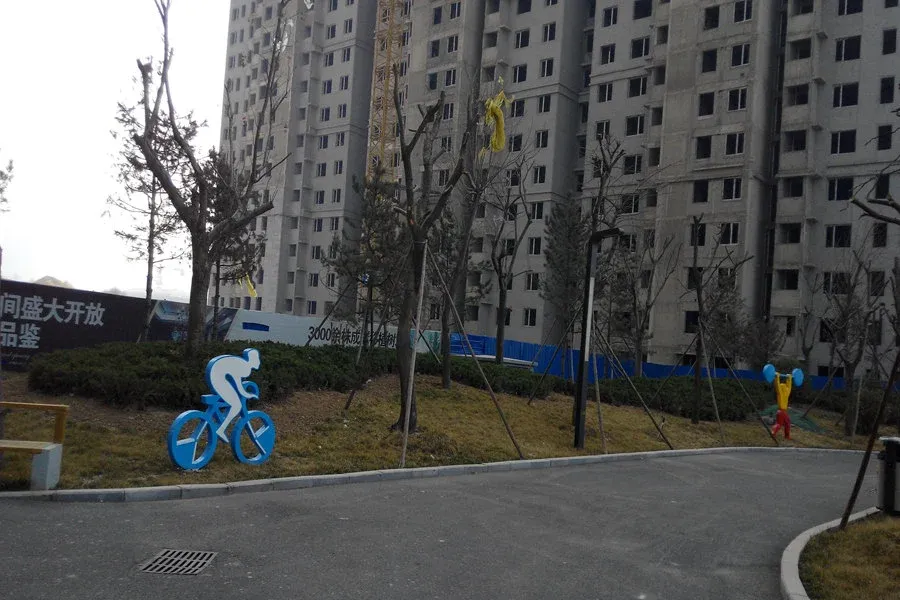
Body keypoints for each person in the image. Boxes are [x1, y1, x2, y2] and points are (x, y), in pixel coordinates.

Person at [204, 348, 261, 442]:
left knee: (232, 402)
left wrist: (247, 394)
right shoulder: (246, 369)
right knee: (237, 406)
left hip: (215, 373)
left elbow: (236, 384)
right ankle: (221, 430)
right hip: (217, 377)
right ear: (253, 359)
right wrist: (249, 395)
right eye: (257, 358)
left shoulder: (243, 364)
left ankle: (221, 424)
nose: (259, 361)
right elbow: (239, 386)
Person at [771, 372, 792, 440]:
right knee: (782, 423)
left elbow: (778, 385)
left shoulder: (782, 393)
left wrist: (777, 377)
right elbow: (789, 387)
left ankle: (784, 435)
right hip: (781, 411)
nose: (786, 388)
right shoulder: (784, 393)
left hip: (781, 412)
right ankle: (774, 432)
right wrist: (789, 378)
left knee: (785, 423)